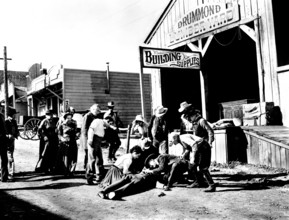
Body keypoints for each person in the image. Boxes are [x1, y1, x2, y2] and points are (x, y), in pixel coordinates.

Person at [182, 107, 216, 192]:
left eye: (190, 117)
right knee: (193, 165)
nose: (189, 119)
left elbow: (210, 131)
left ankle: (211, 185)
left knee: (203, 167)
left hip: (204, 146)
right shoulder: (194, 123)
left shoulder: (201, 121)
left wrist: (210, 142)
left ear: (194, 115)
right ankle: (198, 181)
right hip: (197, 147)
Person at [86, 104, 117, 185]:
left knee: (99, 158)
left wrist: (114, 128)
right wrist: (90, 139)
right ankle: (89, 178)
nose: (108, 122)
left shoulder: (103, 122)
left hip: (98, 140)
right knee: (92, 159)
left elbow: (109, 126)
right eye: (108, 120)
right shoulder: (96, 121)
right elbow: (91, 130)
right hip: (94, 139)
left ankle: (99, 176)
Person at [56, 111, 79, 177]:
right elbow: (59, 134)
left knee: (74, 157)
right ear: (65, 118)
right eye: (68, 117)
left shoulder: (74, 124)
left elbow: (76, 131)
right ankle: (66, 171)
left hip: (73, 141)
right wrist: (62, 138)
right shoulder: (62, 125)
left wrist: (77, 135)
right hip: (65, 142)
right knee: (66, 157)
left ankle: (72, 171)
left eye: (70, 117)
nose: (69, 118)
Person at [81, 104, 99, 170]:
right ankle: (87, 167)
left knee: (91, 152)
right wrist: (87, 139)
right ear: (92, 110)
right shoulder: (87, 116)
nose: (97, 112)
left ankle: (89, 166)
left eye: (97, 111)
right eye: (96, 110)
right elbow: (84, 128)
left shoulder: (94, 116)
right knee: (87, 152)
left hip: (91, 136)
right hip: (86, 137)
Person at [5, 107, 19, 180]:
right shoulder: (6, 122)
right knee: (9, 157)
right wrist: (8, 135)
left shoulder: (14, 122)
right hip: (6, 142)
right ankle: (10, 173)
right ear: (11, 115)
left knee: (11, 156)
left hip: (12, 141)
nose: (15, 116)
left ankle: (11, 172)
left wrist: (16, 134)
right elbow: (4, 132)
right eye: (14, 114)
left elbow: (16, 130)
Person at [0, 112, 9, 182]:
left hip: (2, 140)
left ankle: (4, 176)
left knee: (4, 159)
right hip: (2, 139)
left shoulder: (2, 116)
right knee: (4, 159)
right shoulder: (2, 116)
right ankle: (4, 176)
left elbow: (4, 128)